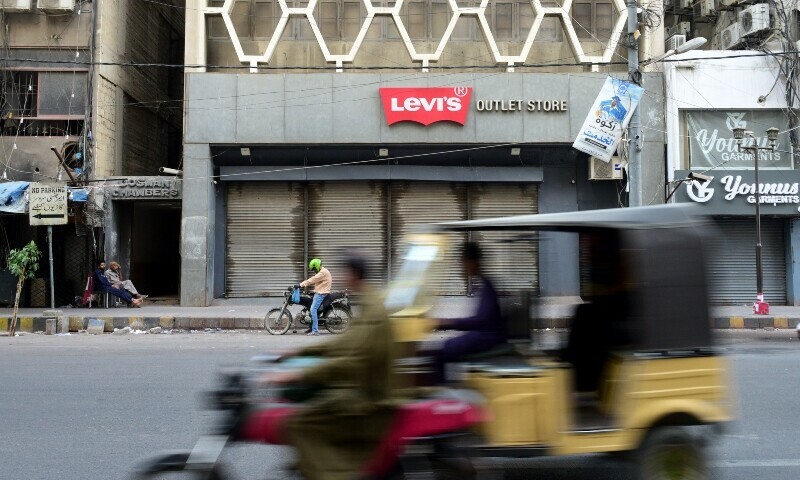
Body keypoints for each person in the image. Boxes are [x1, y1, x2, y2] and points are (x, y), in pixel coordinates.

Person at [241, 253, 399, 480]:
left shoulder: (373, 310)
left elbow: (352, 362)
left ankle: (329, 473)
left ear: (354, 275)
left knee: (298, 422)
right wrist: (299, 352)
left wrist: (299, 374)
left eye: (346, 273)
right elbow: (344, 344)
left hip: (366, 398)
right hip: (360, 388)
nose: (342, 277)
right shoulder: (369, 303)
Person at [431, 242, 506, 383]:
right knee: (447, 345)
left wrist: (447, 323)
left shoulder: (486, 286)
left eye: (463, 262)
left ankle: (441, 389)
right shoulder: (483, 284)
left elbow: (480, 321)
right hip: (485, 333)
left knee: (444, 350)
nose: (462, 266)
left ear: (471, 262)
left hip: (489, 336)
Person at [296, 258, 332, 336]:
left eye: (314, 269)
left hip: (321, 294)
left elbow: (312, 280)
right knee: (309, 305)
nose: (314, 271)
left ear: (317, 266)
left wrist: (300, 285)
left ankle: (315, 330)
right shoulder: (323, 271)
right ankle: (311, 327)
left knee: (313, 309)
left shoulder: (323, 273)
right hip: (320, 292)